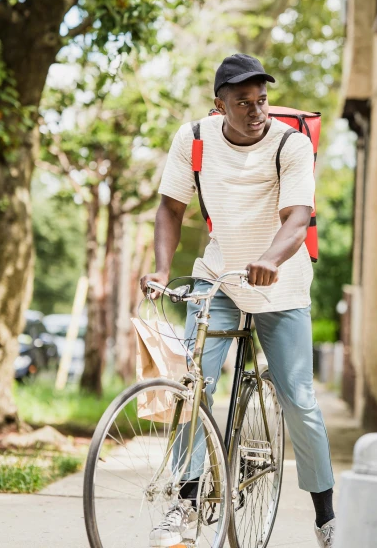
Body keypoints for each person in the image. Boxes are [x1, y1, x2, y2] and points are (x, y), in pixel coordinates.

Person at [140, 53, 336, 548]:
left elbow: (297, 218)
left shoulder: (290, 145)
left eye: (262, 100)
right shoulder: (195, 139)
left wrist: (271, 257)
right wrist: (163, 268)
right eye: (244, 102)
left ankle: (326, 514)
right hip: (219, 276)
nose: (256, 111)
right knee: (194, 384)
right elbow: (169, 207)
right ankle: (184, 503)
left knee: (300, 399)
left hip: (281, 283)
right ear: (219, 105)